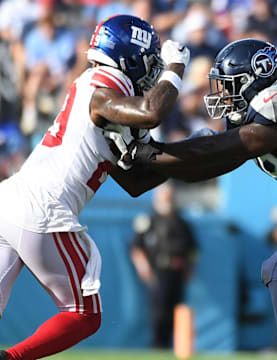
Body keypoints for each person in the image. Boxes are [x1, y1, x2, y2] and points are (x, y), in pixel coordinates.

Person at [126, 38, 277, 359]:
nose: (221, 94)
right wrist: (134, 165)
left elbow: (236, 145)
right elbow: (207, 165)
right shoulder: (252, 115)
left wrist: (150, 153)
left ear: (257, 78)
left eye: (229, 85)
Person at [0, 14, 190, 360]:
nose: (150, 71)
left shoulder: (98, 90)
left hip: (10, 199)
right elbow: (150, 111)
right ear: (128, 57)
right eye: (149, 62)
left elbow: (136, 182)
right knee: (84, 315)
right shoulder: (102, 86)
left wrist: (187, 156)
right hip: (43, 209)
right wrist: (175, 69)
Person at [130, 182, 197, 348]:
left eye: (170, 195)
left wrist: (189, 270)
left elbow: (193, 250)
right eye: (164, 195)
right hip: (158, 271)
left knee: (176, 311)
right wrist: (143, 268)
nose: (167, 198)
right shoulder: (149, 220)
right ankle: (158, 345)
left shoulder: (182, 223)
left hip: (177, 273)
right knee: (159, 312)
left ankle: (170, 346)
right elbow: (136, 248)